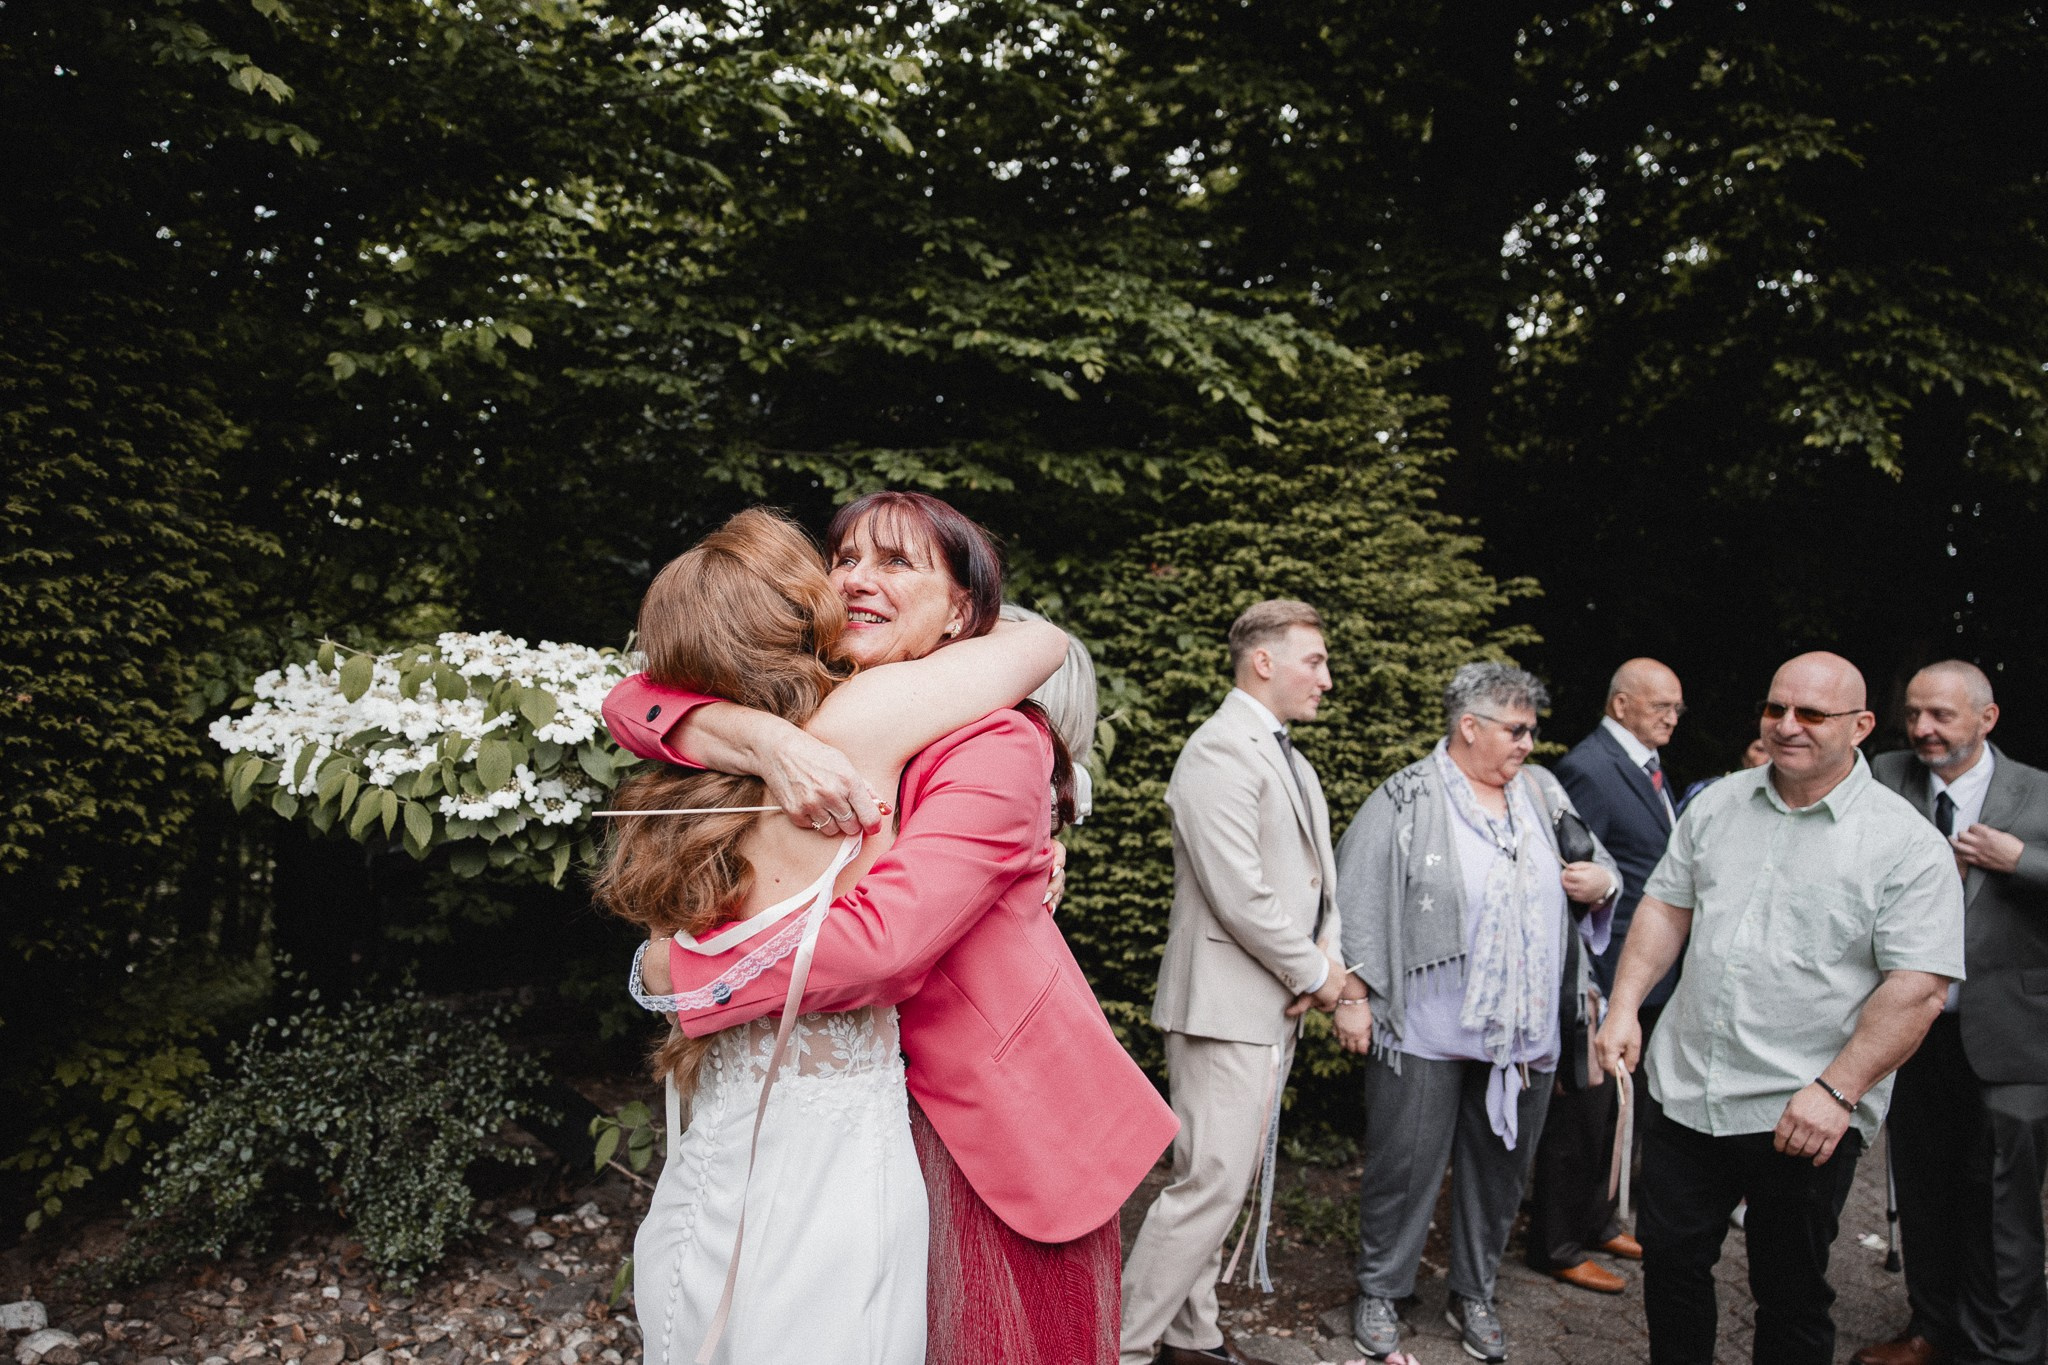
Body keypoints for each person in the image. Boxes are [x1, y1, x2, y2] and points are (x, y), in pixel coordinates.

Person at [606, 491, 1178, 1365]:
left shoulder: (995, 742)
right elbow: (630, 699)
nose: (859, 580)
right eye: (847, 558)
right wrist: (761, 738)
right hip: (862, 1110)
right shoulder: (811, 706)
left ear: (960, 612)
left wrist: (680, 973)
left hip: (984, 1122)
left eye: (897, 562)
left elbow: (882, 945)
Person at [1595, 651, 1965, 1365]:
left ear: (1860, 726)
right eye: (1775, 709)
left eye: (1811, 714)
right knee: (1670, 1265)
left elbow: (1918, 986)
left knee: (1790, 1292)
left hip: (1802, 1113)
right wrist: (1624, 1008)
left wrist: (1837, 1090)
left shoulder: (1906, 844)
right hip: (1687, 1087)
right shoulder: (1716, 804)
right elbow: (1667, 907)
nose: (1786, 725)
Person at [1333, 662, 1621, 1363]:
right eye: (1516, 729)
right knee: (1404, 1166)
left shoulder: (1544, 792)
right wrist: (1352, 997)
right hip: (1424, 1022)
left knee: (1500, 1170)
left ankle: (1476, 1291)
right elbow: (1354, 895)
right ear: (1470, 726)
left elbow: (1602, 863)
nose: (1528, 743)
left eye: (1531, 730)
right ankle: (1380, 1288)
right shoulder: (1404, 795)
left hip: (1520, 1029)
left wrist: (1601, 881)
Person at [1118, 600, 1350, 1365]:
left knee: (1219, 1180)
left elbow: (1318, 880)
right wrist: (1317, 973)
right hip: (1221, 1004)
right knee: (1209, 1185)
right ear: (1264, 661)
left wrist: (1324, 958)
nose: (1326, 676)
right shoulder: (1218, 749)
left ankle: (1195, 1337)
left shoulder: (1288, 756)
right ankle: (1118, 1343)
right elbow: (1238, 889)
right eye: (1313, 660)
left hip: (1264, 1003)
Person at [1858, 661, 2048, 1365]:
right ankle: (1931, 1330)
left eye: (1940, 714)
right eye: (1913, 714)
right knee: (1924, 1188)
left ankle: (2008, 1349)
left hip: (2014, 1035)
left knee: (2003, 1203)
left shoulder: (2038, 792)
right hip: (1913, 1028)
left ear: (1986, 718)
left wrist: (2020, 857)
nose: (1922, 729)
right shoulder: (1884, 775)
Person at [1528, 657, 1687, 1293]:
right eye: (1661, 706)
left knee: (1620, 1108)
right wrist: (1587, 980)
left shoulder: (1644, 766)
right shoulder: (1588, 768)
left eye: (1677, 707)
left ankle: (1597, 1220)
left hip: (1643, 971)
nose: (1673, 717)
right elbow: (1571, 873)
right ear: (1621, 705)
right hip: (1602, 967)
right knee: (1584, 1112)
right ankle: (1557, 1242)